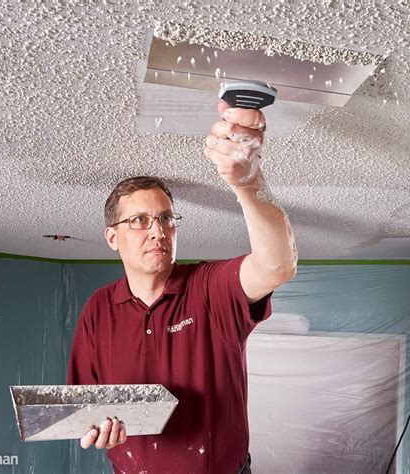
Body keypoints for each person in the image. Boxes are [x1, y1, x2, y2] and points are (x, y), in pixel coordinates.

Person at [67, 100, 298, 473]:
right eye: (140, 220)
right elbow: (86, 408)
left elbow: (277, 266)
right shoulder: (98, 308)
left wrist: (248, 180)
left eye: (166, 219)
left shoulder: (209, 288)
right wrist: (97, 429)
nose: (158, 230)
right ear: (112, 237)